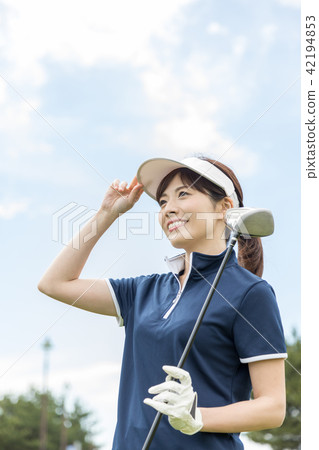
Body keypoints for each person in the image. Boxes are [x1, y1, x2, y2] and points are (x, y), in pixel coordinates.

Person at [38, 156, 287, 450]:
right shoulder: (143, 290)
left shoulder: (251, 293)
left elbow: (272, 407)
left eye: (183, 194)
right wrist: (106, 214)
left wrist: (197, 416)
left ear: (224, 208)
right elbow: (55, 283)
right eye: (162, 201)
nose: (169, 208)